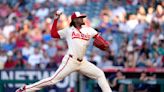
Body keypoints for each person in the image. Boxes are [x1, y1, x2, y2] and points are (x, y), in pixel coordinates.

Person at [16, 11, 112, 92]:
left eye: (82, 17)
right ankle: (25, 89)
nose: (82, 19)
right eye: (80, 18)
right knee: (53, 80)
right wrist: (56, 19)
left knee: (100, 74)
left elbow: (102, 41)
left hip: (82, 62)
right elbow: (53, 34)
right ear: (74, 20)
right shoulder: (69, 31)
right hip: (70, 61)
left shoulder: (89, 30)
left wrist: (104, 44)